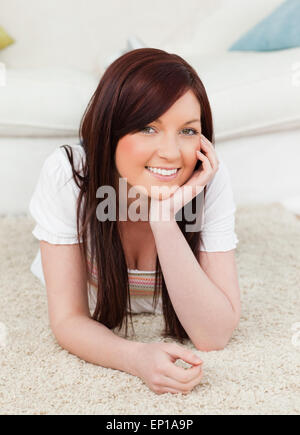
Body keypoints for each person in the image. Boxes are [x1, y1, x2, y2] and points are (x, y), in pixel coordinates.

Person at [28, 48, 240, 396]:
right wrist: (135, 357)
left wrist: (163, 219)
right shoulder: (68, 173)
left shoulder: (210, 178)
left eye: (188, 131)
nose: (172, 153)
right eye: (148, 127)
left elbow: (213, 335)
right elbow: (67, 320)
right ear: (110, 130)